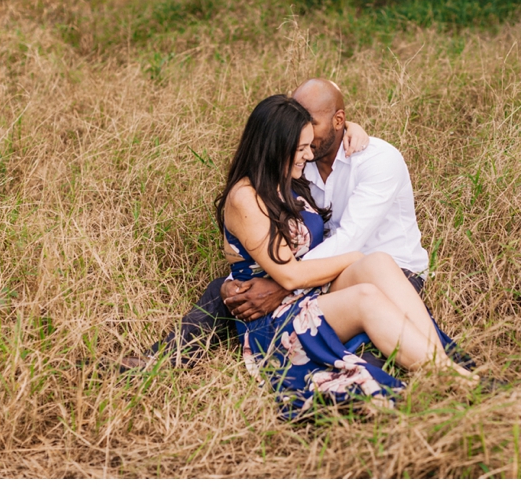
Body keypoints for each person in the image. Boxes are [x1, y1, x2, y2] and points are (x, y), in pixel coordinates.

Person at [123, 79, 475, 373]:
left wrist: (282, 282)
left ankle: (447, 370)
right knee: (223, 289)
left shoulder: (376, 160)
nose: (302, 138)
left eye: (310, 127)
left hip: (390, 269)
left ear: (338, 121)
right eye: (297, 129)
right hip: (332, 274)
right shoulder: (299, 164)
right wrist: (270, 278)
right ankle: (161, 361)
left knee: (370, 343)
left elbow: (350, 241)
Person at [204, 94, 479, 418]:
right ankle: (458, 380)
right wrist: (353, 256)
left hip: (305, 292)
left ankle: (445, 364)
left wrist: (349, 126)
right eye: (301, 148)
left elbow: (308, 114)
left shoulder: (287, 181)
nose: (308, 155)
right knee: (365, 293)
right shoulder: (245, 198)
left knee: (377, 262)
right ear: (276, 146)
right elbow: (290, 276)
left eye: (310, 145)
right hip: (273, 313)